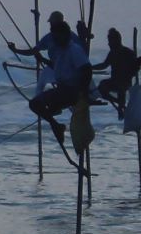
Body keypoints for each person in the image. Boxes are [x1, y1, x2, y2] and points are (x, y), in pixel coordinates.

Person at [10, 9, 92, 147]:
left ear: (64, 35)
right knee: (42, 105)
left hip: (70, 90)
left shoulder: (73, 49)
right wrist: (17, 51)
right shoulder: (58, 48)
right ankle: (56, 124)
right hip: (61, 86)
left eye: (57, 37)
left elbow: (87, 69)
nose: (54, 39)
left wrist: (82, 92)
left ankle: (56, 125)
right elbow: (44, 57)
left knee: (36, 103)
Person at [90, 26, 141, 110]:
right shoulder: (112, 53)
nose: (108, 44)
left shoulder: (128, 53)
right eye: (109, 41)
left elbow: (137, 67)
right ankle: (118, 102)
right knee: (101, 87)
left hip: (125, 82)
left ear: (117, 41)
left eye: (110, 41)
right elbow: (104, 65)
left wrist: (130, 74)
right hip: (114, 80)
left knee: (121, 88)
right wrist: (91, 67)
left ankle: (121, 106)